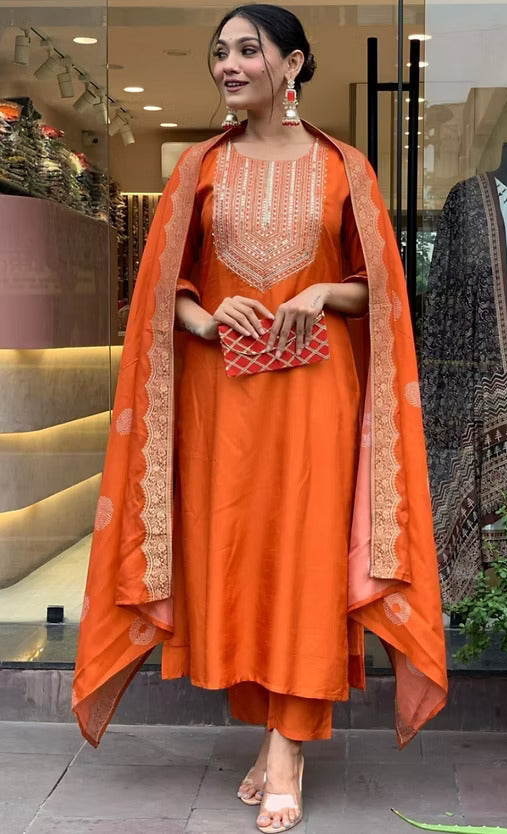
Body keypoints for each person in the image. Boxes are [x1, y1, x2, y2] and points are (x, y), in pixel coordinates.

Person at [72, 5, 447, 832]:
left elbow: (379, 291)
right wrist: (205, 317)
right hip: (223, 401)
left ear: (294, 65)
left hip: (316, 393)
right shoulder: (198, 167)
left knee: (309, 556)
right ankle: (274, 731)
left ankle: (287, 749)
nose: (228, 65)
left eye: (248, 50)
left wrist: (322, 291)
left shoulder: (344, 168)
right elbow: (158, 286)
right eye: (220, 52)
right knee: (241, 561)